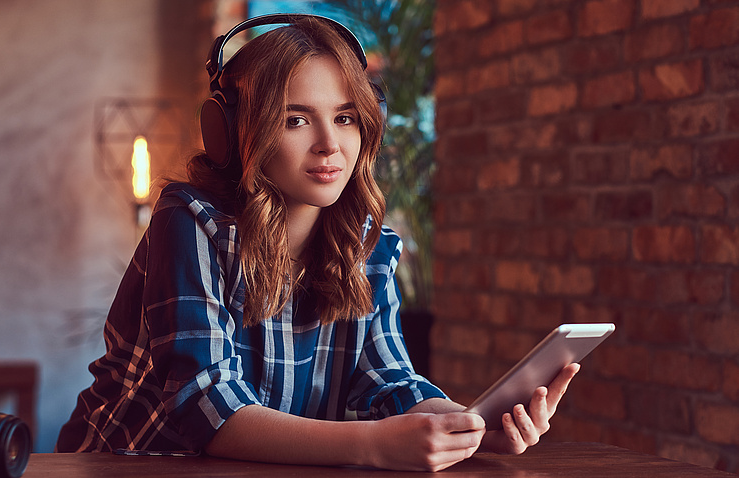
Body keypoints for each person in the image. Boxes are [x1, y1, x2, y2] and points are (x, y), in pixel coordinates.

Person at [55, 14, 579, 472]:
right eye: (296, 119)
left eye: (345, 117)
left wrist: (470, 427)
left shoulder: (370, 248)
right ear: (233, 131)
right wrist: (375, 445)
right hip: (128, 465)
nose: (330, 144)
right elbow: (207, 406)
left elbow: (390, 383)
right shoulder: (190, 220)